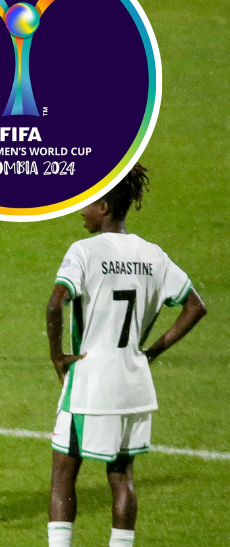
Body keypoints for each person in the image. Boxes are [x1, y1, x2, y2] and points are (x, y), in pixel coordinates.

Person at [45, 164, 207, 547]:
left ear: (103, 206)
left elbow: (55, 305)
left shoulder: (84, 251)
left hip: (90, 382)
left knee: (63, 474)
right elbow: (195, 307)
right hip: (134, 383)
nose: (79, 211)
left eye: (85, 203)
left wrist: (57, 356)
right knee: (121, 478)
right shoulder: (152, 254)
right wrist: (150, 352)